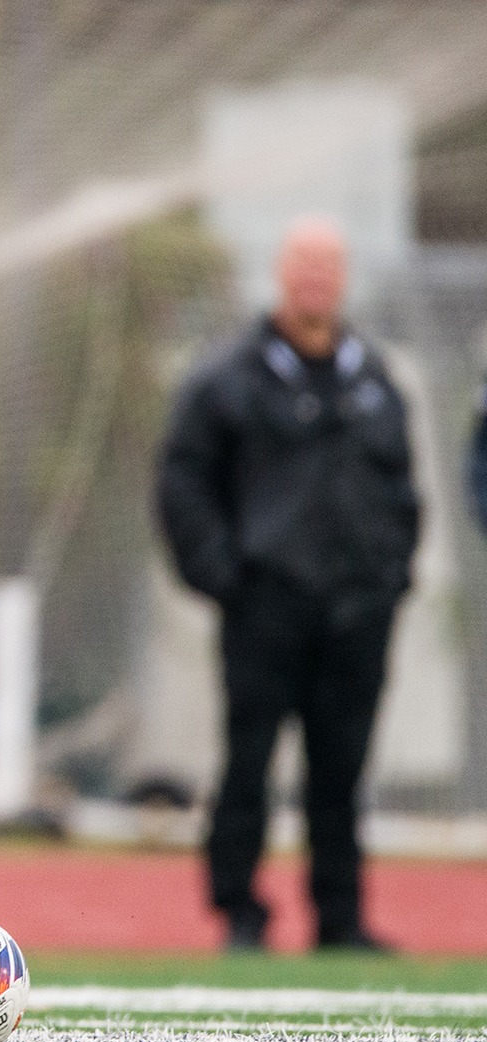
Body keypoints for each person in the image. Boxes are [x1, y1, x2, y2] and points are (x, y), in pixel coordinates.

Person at [156, 217, 418, 953]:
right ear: (279, 273)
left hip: (359, 609)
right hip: (266, 605)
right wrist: (223, 575)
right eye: (303, 264)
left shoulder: (373, 378)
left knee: (342, 769)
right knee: (249, 761)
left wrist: (390, 576)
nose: (315, 278)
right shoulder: (228, 376)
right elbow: (182, 480)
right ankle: (239, 911)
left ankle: (341, 919)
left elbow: (401, 487)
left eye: (327, 265)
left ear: (342, 278)